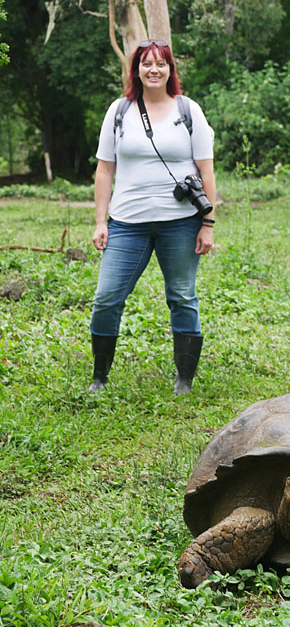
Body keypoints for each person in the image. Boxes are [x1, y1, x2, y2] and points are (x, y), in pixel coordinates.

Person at [88, 39, 215, 394]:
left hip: (180, 222)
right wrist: (101, 221)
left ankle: (184, 380)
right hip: (127, 223)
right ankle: (99, 378)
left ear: (171, 70)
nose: (154, 69)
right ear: (137, 70)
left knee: (181, 296)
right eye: (147, 63)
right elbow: (104, 170)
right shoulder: (119, 111)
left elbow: (207, 171)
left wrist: (207, 224)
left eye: (161, 63)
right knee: (107, 297)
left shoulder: (189, 111)